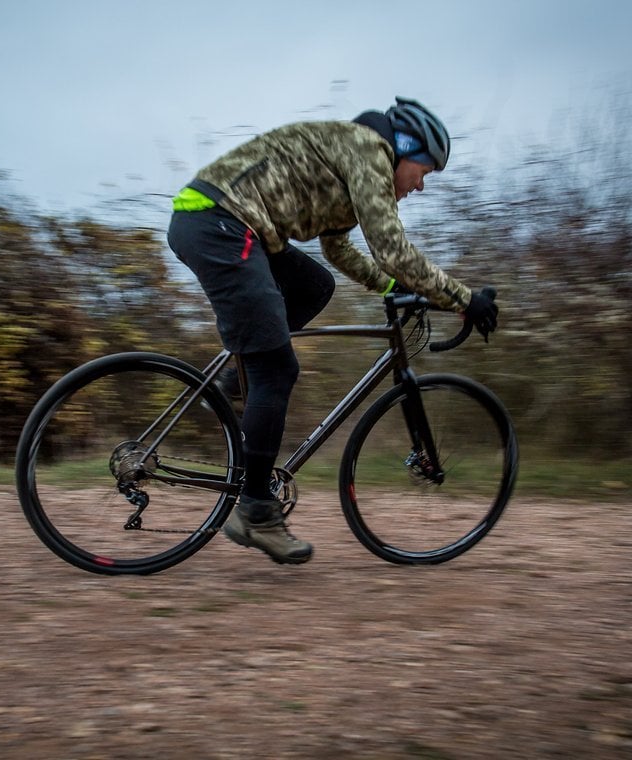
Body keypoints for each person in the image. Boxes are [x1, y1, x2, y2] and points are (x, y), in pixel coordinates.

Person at [167, 97, 499, 565]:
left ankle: (235, 377)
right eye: (424, 170)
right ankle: (256, 511)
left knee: (315, 285)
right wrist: (463, 298)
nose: (421, 185)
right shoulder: (368, 149)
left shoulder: (347, 159)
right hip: (218, 221)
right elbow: (391, 247)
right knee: (277, 370)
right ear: (403, 148)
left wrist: (392, 288)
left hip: (232, 223)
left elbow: (339, 251)